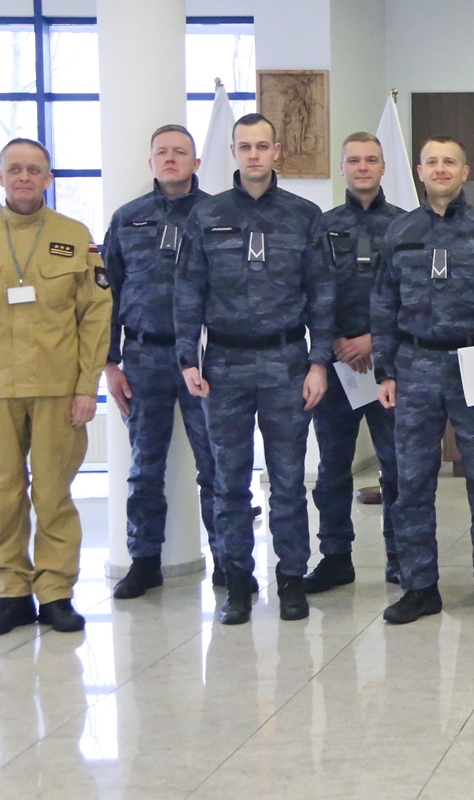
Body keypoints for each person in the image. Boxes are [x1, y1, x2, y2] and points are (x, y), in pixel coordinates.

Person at [0, 138, 111, 637]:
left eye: (34, 170)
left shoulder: (73, 235)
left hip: (58, 389)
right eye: (14, 169)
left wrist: (87, 386)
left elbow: (96, 317)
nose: (24, 177)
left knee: (54, 494)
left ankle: (56, 591)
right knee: (5, 494)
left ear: (48, 179)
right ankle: (11, 592)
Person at [176, 113, 335, 625]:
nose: (253, 155)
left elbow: (322, 296)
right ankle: (238, 583)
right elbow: (187, 292)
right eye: (245, 147)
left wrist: (319, 363)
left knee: (288, 480)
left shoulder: (304, 215)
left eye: (262, 146)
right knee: (228, 480)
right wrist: (187, 359)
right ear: (233, 151)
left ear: (277, 151)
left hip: (287, 362)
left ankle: (291, 578)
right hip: (223, 363)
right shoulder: (206, 215)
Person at [371, 135, 474, 626]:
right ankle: (420, 586)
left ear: (465, 172)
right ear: (419, 171)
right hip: (415, 366)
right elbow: (382, 305)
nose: (440, 169)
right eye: (432, 162)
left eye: (450, 162)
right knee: (412, 482)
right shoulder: (399, 231)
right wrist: (383, 369)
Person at [103, 125, 222, 599]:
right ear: (151, 162)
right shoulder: (127, 218)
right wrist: (110, 361)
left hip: (206, 356)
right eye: (162, 153)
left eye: (181, 153)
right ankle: (144, 561)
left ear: (195, 162)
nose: (171, 159)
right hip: (145, 355)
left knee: (217, 464)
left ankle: (229, 561)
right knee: (144, 465)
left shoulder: (218, 215)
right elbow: (106, 293)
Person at [305, 132, 405, 594]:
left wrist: (373, 340)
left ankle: (401, 557)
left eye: (371, 160)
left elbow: (415, 298)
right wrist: (337, 344)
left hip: (389, 368)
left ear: (384, 167)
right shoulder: (320, 227)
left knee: (397, 468)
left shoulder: (407, 226)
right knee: (331, 470)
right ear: (342, 167)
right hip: (337, 364)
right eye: (353, 161)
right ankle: (335, 556)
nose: (363, 168)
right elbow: (309, 296)